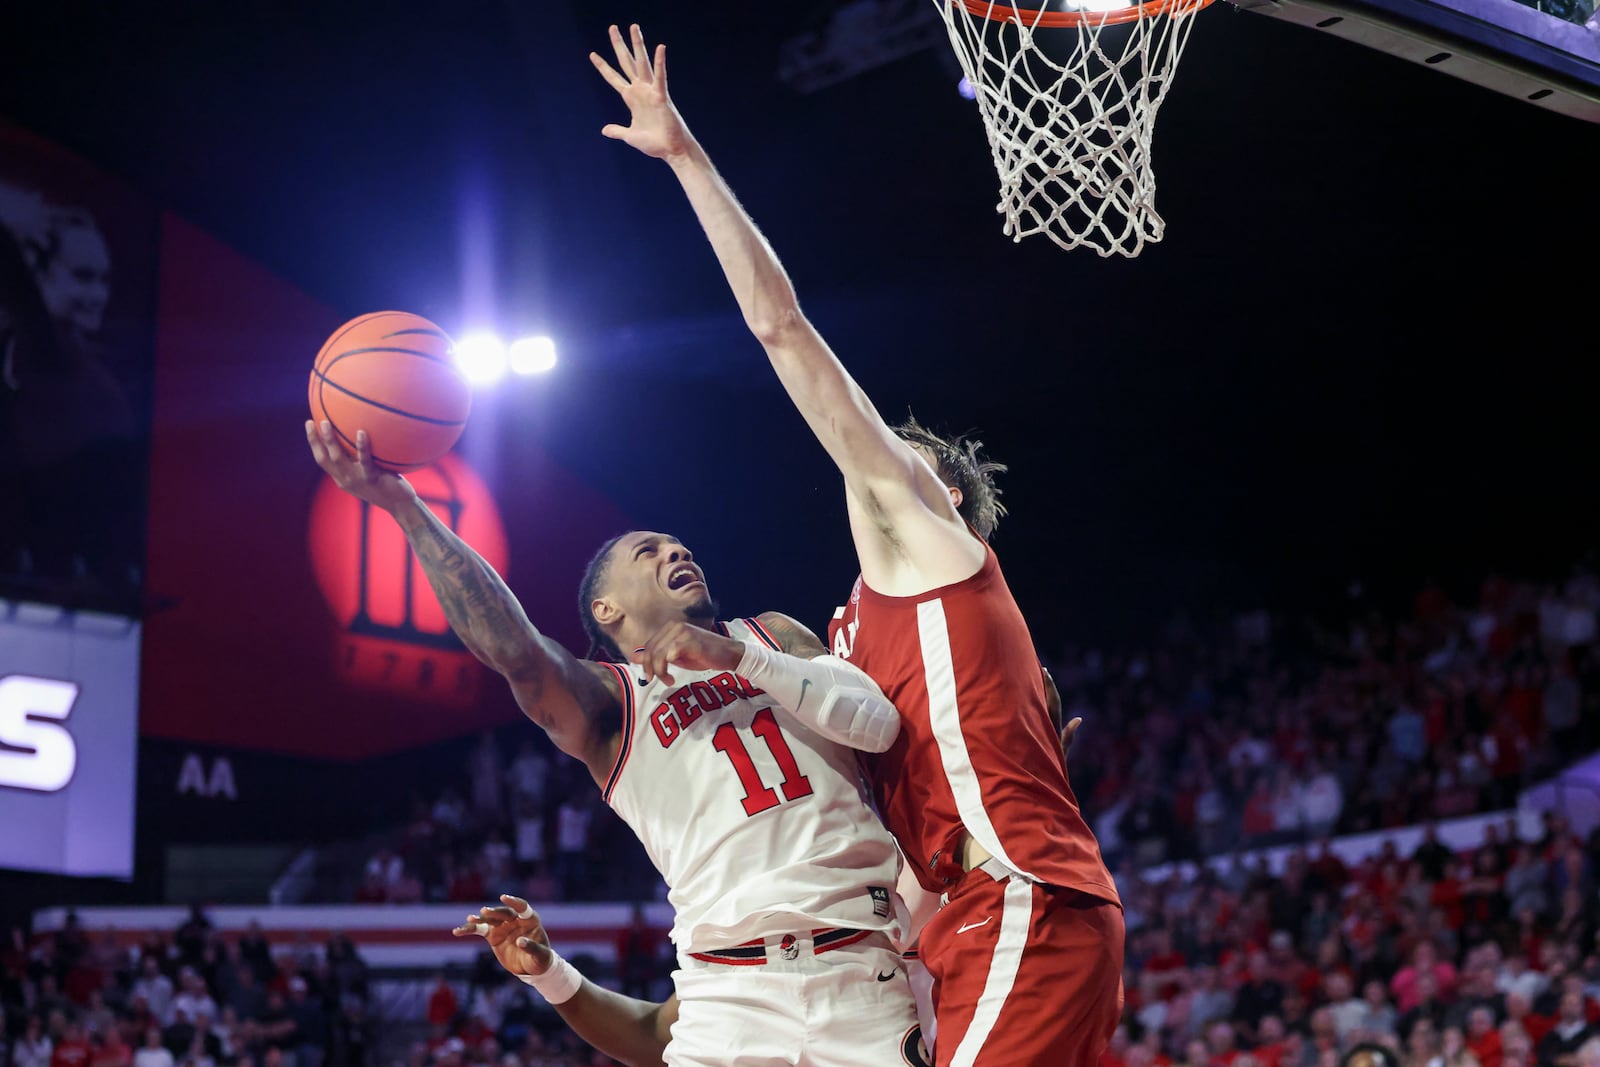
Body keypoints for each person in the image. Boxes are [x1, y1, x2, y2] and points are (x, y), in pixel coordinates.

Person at [591, 23, 1121, 1067]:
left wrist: (687, 156)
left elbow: (780, 327)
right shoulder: (857, 628)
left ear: (942, 497)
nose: (867, 456)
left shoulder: (927, 539)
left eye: (894, 456)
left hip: (1015, 894)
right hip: (959, 927)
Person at [307, 421, 919, 1066]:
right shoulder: (610, 704)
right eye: (648, 552)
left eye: (679, 547)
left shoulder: (772, 637)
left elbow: (878, 724)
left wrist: (738, 657)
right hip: (727, 996)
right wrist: (406, 507)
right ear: (607, 611)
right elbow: (515, 651)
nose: (676, 553)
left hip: (867, 975)